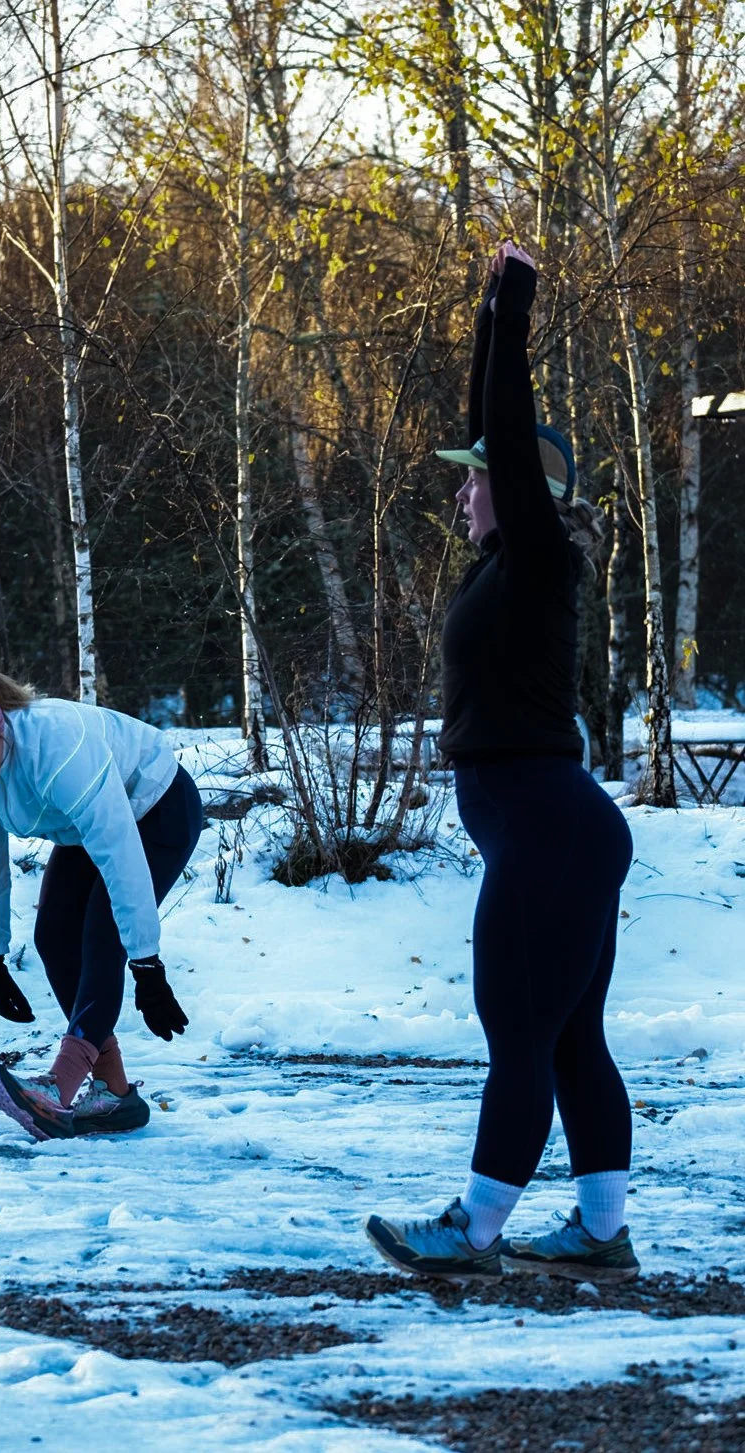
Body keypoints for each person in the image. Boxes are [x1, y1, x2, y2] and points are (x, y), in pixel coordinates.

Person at [363, 242, 637, 1284]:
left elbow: (508, 432)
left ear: (519, 489)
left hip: (547, 829)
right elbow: (495, 433)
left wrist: (508, 305)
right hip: (551, 827)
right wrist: (480, 314)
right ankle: (603, 1236)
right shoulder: (503, 574)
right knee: (570, 1040)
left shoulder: (536, 551)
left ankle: (472, 1233)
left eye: (478, 479)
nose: (467, 491)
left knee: (520, 1036)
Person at [0, 663, 204, 1140]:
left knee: (101, 933)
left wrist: (148, 965)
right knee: (52, 936)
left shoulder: (55, 746)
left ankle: (61, 1084)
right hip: (84, 826)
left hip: (158, 808)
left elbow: (119, 853)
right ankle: (114, 1092)